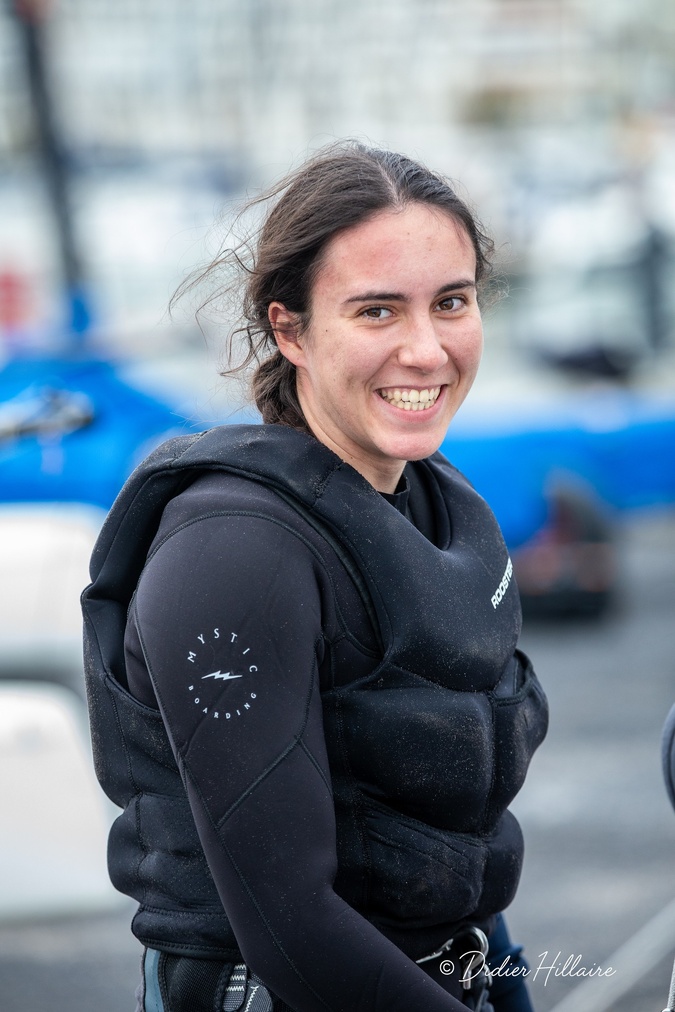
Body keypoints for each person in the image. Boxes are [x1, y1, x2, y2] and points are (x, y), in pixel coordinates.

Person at [82, 142, 548, 1012]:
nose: (426, 349)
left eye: (451, 302)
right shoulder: (233, 552)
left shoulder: (439, 509)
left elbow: (458, 844)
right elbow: (287, 920)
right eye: (376, 311)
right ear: (289, 328)